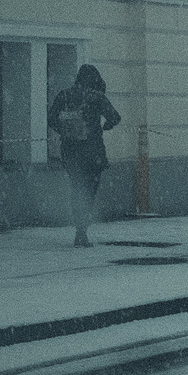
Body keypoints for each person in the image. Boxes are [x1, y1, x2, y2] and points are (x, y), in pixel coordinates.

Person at [47, 65, 122, 248]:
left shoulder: (64, 95)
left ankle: (79, 228)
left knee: (76, 188)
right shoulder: (96, 97)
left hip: (70, 151)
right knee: (89, 190)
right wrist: (106, 126)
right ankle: (82, 232)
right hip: (92, 152)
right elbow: (115, 117)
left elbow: (51, 119)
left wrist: (67, 131)